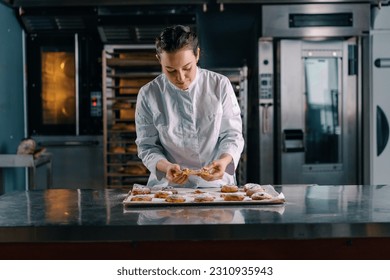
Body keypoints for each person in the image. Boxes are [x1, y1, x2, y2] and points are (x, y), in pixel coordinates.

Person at [135, 25, 244, 188]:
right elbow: (147, 146)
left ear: (197, 55)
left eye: (187, 68)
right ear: (159, 60)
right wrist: (166, 167)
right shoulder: (148, 93)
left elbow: (232, 134)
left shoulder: (219, 84)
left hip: (216, 186)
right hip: (168, 187)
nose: (180, 77)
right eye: (170, 70)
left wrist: (224, 160)